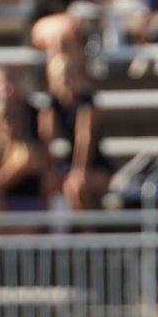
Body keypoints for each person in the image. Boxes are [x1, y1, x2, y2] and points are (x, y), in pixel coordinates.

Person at [39, 51, 110, 210]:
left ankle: (86, 232)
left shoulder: (86, 103)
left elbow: (84, 138)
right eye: (61, 76)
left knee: (75, 186)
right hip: (65, 164)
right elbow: (47, 138)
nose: (66, 80)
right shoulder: (51, 106)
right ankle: (57, 232)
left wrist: (79, 170)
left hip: (94, 165)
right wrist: (51, 169)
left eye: (69, 74)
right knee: (48, 184)